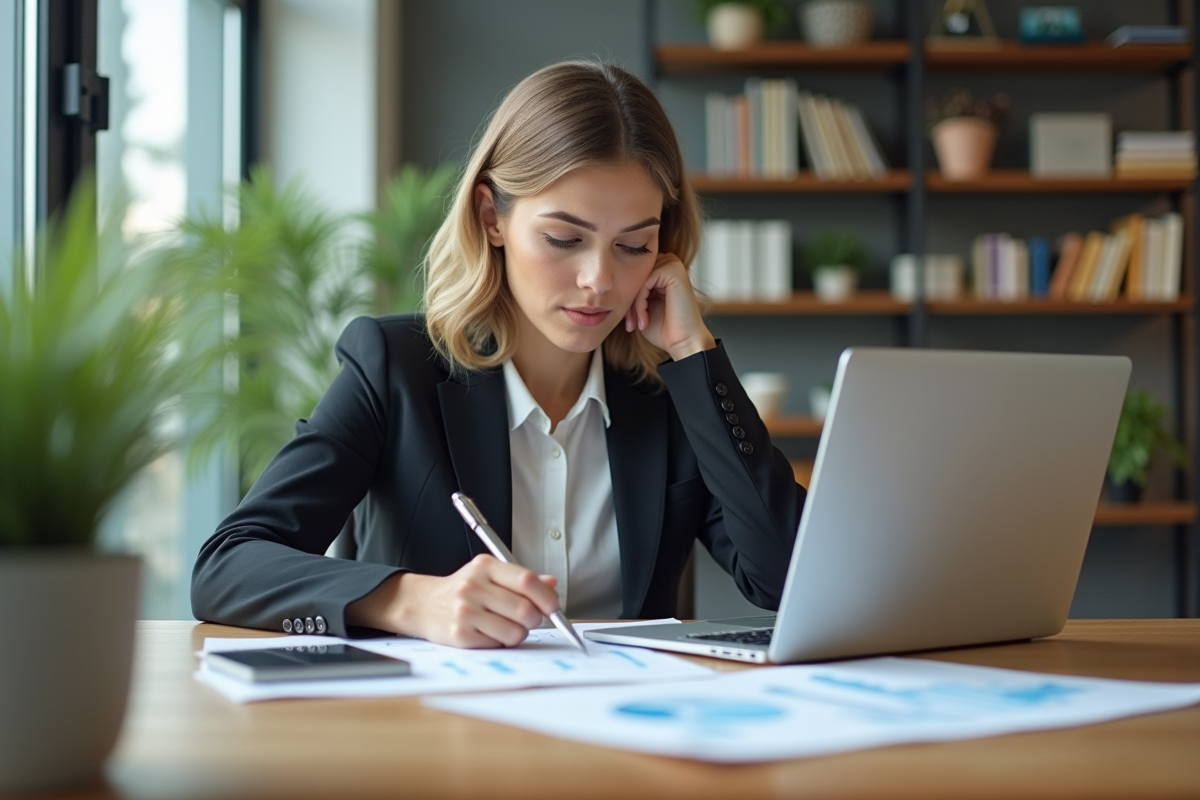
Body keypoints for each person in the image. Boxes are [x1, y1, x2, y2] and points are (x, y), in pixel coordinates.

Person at [191, 60, 806, 648]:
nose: (598, 279)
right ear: (492, 217)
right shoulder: (394, 368)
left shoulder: (674, 399)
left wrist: (694, 355)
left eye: (633, 246)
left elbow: (788, 578)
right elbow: (227, 566)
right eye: (564, 238)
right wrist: (409, 601)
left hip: (622, 738)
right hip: (434, 740)